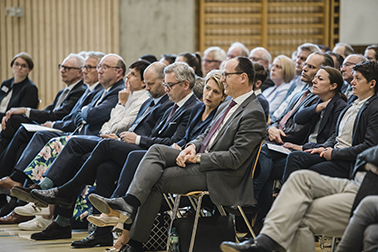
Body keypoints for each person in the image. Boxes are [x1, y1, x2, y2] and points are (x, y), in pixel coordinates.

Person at [55, 56, 266, 252]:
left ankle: (134, 238)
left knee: (155, 180)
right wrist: (192, 146)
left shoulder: (253, 112)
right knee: (155, 151)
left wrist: (198, 157)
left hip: (220, 175)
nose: (223, 79)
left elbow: (236, 158)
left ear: (243, 78)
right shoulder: (229, 104)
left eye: (226, 75)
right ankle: (129, 206)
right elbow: (206, 136)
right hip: (202, 162)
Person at [30, 69, 226, 250]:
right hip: (161, 151)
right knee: (105, 166)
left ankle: (95, 202)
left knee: (111, 150)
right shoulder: (194, 110)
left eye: (215, 92)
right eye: (207, 89)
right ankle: (103, 231)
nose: (208, 94)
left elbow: (191, 142)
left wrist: (140, 137)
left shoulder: (203, 110)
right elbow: (183, 138)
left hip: (179, 159)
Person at [221, 143, 378, 252]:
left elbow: (370, 148)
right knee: (300, 177)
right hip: (356, 181)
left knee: (294, 215)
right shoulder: (356, 103)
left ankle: (264, 242)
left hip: (369, 190)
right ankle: (265, 240)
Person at [254, 66, 347, 229]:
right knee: (269, 171)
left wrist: (302, 147)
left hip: (319, 150)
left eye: (320, 78)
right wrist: (319, 107)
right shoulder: (318, 100)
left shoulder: (339, 105)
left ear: (333, 86)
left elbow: (334, 138)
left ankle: (281, 211)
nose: (314, 81)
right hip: (308, 147)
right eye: (315, 77)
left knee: (290, 157)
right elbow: (299, 117)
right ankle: (261, 223)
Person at [282, 60, 378, 182]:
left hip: (346, 161)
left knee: (301, 170)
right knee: (294, 158)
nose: (352, 82)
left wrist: (333, 153)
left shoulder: (374, 108)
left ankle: (287, 197)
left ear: (372, 84)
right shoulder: (353, 102)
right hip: (334, 153)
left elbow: (368, 146)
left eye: (358, 79)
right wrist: (324, 147)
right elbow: (337, 135)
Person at [0, 53, 88, 153]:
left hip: (59, 128)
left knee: (16, 122)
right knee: (16, 126)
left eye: (67, 68)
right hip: (48, 124)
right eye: (61, 67)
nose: (62, 70)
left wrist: (25, 111)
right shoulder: (63, 91)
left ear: (80, 72)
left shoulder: (80, 90)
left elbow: (59, 114)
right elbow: (48, 111)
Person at [270, 43, 321, 122]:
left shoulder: (311, 89)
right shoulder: (295, 84)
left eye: (303, 59)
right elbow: (282, 108)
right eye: (298, 57)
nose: (298, 61)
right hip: (275, 122)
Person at [0, 52, 39, 119]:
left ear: (29, 70)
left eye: (23, 66)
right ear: (12, 66)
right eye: (17, 64)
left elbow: (23, 113)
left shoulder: (30, 88)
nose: (19, 68)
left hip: (11, 121)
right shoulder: (6, 84)